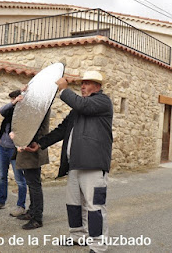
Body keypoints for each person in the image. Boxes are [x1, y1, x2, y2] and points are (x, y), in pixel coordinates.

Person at [26, 71, 113, 253]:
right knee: (73, 205)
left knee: (95, 207)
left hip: (94, 165)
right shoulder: (78, 109)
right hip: (75, 164)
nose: (82, 86)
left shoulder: (102, 101)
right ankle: (78, 237)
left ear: (97, 86)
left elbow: (82, 104)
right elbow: (61, 130)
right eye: (82, 83)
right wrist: (40, 144)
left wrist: (64, 90)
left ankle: (98, 246)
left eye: (87, 83)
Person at [0, 90, 27, 217]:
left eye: (13, 99)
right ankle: (1, 201)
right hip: (3, 148)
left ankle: (21, 206)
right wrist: (13, 102)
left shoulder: (23, 113)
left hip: (15, 150)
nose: (11, 101)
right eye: (11, 100)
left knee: (20, 179)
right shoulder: (9, 110)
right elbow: (2, 110)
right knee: (2, 177)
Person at [14, 109, 50, 230]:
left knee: (34, 184)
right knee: (31, 183)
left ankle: (37, 218)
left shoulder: (40, 103)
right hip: (29, 146)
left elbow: (34, 126)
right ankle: (32, 211)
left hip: (32, 147)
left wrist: (24, 142)